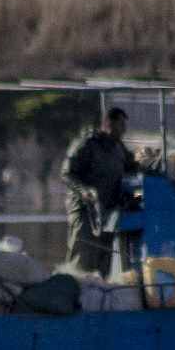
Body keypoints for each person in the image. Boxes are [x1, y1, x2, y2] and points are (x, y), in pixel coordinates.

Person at [61, 107, 138, 276]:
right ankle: (74, 286)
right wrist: (84, 191)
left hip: (108, 212)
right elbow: (67, 174)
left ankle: (99, 289)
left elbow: (133, 167)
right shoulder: (87, 144)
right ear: (109, 124)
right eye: (121, 125)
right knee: (82, 257)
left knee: (103, 260)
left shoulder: (119, 148)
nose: (124, 130)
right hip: (85, 209)